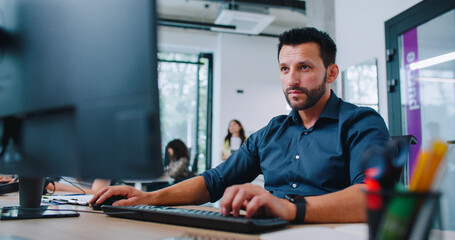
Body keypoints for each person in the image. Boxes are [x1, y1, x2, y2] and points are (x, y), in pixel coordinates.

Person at [90, 27, 390, 223]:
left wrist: (289, 208)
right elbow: (213, 181)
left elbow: (374, 195)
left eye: (305, 68)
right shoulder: (272, 133)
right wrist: (148, 199)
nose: (292, 79)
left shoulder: (361, 123)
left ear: (332, 72)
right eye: (285, 69)